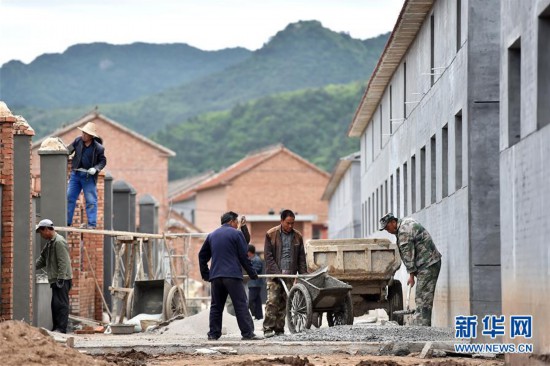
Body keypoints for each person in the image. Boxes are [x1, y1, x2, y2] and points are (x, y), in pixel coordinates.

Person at [198, 211, 261, 340]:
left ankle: (213, 334)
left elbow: (202, 256)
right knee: (241, 304)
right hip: (232, 276)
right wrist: (252, 273)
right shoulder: (236, 234)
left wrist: (206, 274)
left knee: (216, 306)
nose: (237, 225)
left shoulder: (212, 235)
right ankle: (247, 333)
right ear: (232, 221)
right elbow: (243, 256)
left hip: (216, 276)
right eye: (236, 222)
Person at [379, 213, 442, 326]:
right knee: (423, 297)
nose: (387, 231)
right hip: (428, 263)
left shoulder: (403, 232)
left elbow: (408, 255)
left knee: (423, 298)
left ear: (393, 222)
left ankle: (422, 328)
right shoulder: (405, 223)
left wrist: (411, 275)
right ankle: (422, 326)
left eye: (387, 227)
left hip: (428, 264)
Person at [263, 209, 307, 338]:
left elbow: (301, 258)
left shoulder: (298, 236)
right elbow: (268, 256)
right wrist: (277, 273)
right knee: (272, 301)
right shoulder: (271, 234)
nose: (290, 226)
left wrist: (303, 274)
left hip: (290, 274)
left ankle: (279, 329)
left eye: (293, 223)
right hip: (274, 275)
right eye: (288, 223)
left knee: (285, 302)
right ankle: (268, 328)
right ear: (281, 221)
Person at [35, 219, 73, 333]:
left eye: (41, 232)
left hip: (62, 279)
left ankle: (61, 329)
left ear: (46, 229)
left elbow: (63, 262)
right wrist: (30, 268)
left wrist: (61, 278)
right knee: (55, 305)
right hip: (56, 279)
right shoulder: (50, 244)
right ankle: (56, 327)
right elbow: (42, 259)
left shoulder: (59, 242)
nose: (41, 235)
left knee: (61, 305)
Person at [66, 122, 107, 229]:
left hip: (88, 176)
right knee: (70, 196)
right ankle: (67, 221)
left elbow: (102, 162)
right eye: (83, 133)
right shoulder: (77, 141)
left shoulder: (98, 148)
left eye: (86, 134)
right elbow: (68, 150)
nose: (83, 135)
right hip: (75, 174)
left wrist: (96, 168)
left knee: (90, 200)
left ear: (91, 136)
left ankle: (92, 224)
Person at [247, 244, 265, 320]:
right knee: (257, 300)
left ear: (249, 252)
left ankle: (254, 314)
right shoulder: (252, 259)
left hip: (255, 284)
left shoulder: (256, 260)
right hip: (253, 283)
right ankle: (259, 316)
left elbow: (255, 270)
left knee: (251, 300)